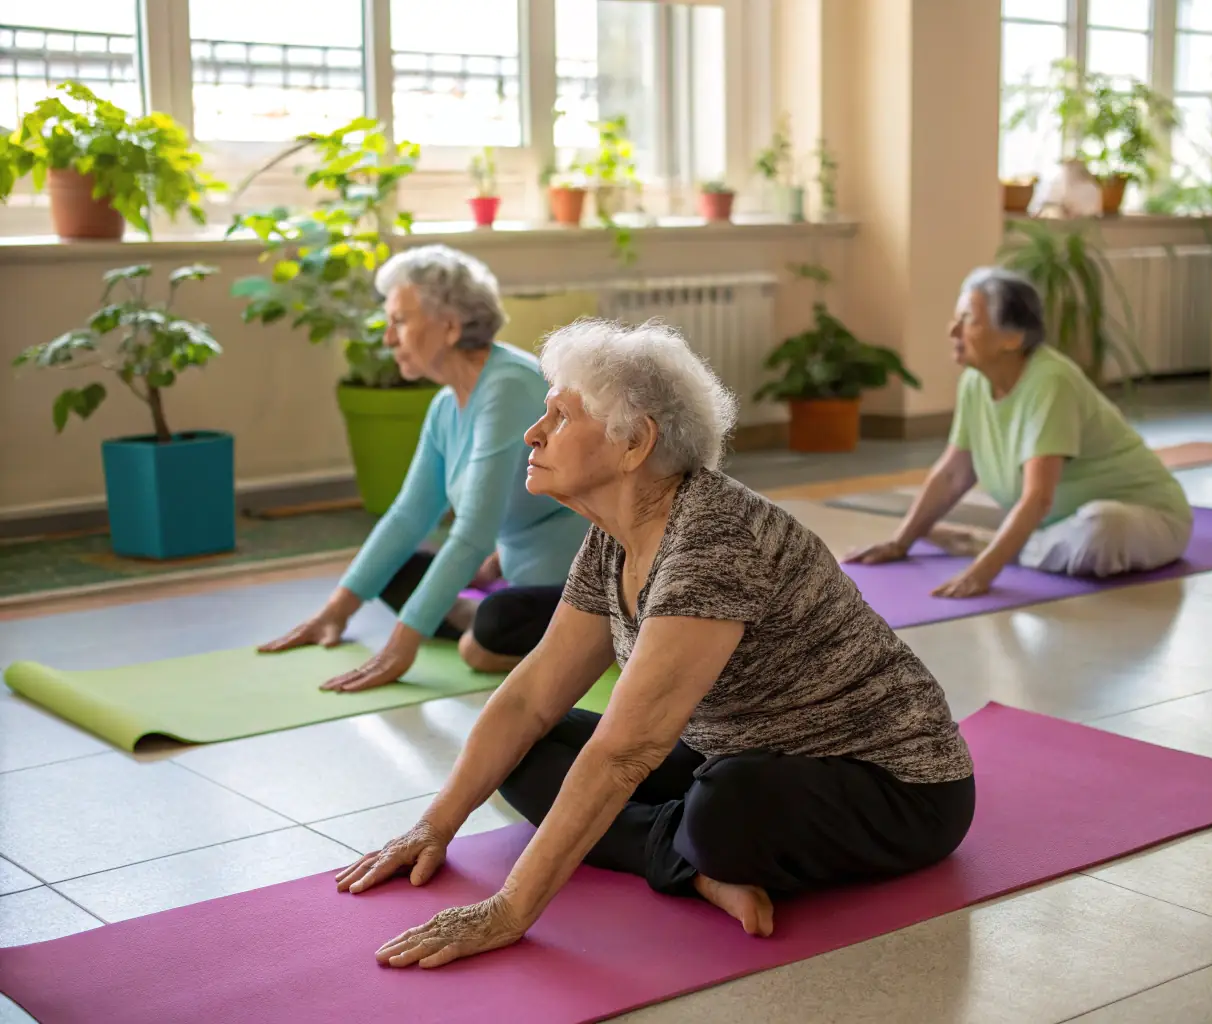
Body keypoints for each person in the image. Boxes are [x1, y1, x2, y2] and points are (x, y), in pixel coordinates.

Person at [332, 319, 976, 969]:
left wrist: (508, 911)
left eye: (559, 416)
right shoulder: (614, 532)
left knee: (724, 809)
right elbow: (531, 696)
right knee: (528, 753)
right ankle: (691, 866)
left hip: (896, 788)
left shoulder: (715, 540)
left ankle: (694, 847)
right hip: (735, 752)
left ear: (634, 443)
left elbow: (626, 752)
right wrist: (432, 827)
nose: (533, 432)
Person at [260, 245, 588, 688]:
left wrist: (401, 645)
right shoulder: (445, 405)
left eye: (399, 321)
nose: (388, 338)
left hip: (579, 585)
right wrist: (334, 611)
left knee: (488, 631)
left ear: (450, 326)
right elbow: (408, 515)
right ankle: (489, 621)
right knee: (398, 568)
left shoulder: (507, 386)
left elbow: (474, 530)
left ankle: (581, 640)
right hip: (511, 578)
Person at [846, 267, 1192, 598]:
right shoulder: (974, 382)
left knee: (1101, 529)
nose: (953, 330)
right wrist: (901, 542)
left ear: (1012, 338)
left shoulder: (1050, 381)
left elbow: (1038, 497)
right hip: (1058, 525)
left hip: (1148, 520)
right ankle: (1014, 543)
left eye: (968, 320)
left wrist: (982, 571)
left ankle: (984, 542)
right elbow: (953, 474)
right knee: (1077, 531)